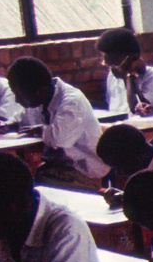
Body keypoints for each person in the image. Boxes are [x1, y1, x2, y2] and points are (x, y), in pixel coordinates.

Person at [6, 56, 105, 189]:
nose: (17, 101)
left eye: (20, 95)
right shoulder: (38, 97)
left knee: (26, 187)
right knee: (18, 179)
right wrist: (9, 125)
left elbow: (59, 139)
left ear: (40, 91)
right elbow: (21, 118)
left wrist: (40, 130)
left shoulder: (71, 101)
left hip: (85, 172)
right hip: (58, 167)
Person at [98, 29, 153, 116]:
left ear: (133, 57)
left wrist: (129, 77)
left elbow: (141, 111)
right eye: (108, 65)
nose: (112, 70)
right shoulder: (113, 76)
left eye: (115, 65)